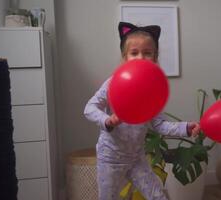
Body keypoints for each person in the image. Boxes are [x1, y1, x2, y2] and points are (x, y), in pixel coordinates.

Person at [84, 21, 201, 200]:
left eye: (147, 53)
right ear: (125, 57)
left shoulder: (152, 91)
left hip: (136, 158)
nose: (140, 57)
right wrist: (107, 120)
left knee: (157, 195)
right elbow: (89, 108)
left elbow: (159, 124)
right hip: (110, 158)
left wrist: (186, 128)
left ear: (155, 58)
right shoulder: (113, 83)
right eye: (134, 53)